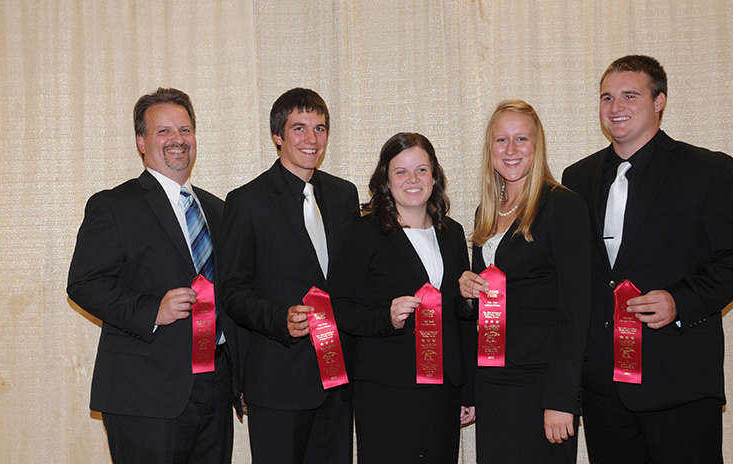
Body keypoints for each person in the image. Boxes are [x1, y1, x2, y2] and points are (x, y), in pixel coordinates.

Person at [561, 55, 733, 463]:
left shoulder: (706, 169)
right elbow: (568, 273)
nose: (616, 107)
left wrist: (679, 301)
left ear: (659, 102)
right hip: (603, 387)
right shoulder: (575, 179)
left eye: (629, 96)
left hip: (678, 380)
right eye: (607, 97)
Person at [67, 87, 245, 463]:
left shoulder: (220, 211)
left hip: (215, 386)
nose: (177, 139)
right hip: (144, 392)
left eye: (185, 129)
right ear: (141, 141)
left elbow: (235, 295)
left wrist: (243, 375)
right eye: (163, 131)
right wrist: (153, 310)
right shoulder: (114, 205)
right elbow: (84, 283)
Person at [218, 88, 359, 464]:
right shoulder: (246, 202)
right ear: (277, 135)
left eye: (320, 128)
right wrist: (279, 318)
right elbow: (231, 291)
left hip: (338, 381)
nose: (311, 139)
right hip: (278, 380)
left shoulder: (345, 195)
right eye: (299, 128)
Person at [327, 132, 476, 463]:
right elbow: (338, 307)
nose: (413, 180)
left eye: (421, 170)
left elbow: (461, 319)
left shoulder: (451, 234)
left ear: (434, 176)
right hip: (386, 392)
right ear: (385, 178)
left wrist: (468, 390)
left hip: (444, 392)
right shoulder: (363, 232)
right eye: (401, 171)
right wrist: (385, 317)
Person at [457, 100, 590, 463]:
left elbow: (576, 311)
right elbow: (480, 309)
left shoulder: (563, 206)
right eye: (501, 140)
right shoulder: (485, 212)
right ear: (490, 149)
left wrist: (563, 399)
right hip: (492, 379)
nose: (511, 150)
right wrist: (467, 293)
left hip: (541, 382)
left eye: (521, 139)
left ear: (537, 145)